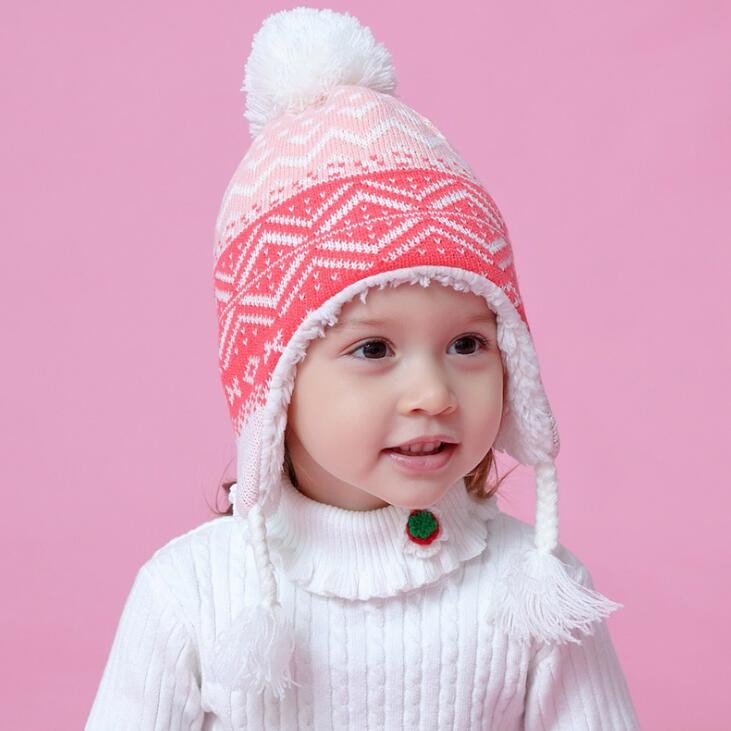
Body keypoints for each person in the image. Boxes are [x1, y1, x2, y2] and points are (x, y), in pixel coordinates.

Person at [86, 7, 641, 729]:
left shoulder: (534, 589)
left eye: (468, 344)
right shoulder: (192, 594)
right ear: (275, 383)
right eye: (374, 349)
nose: (434, 393)